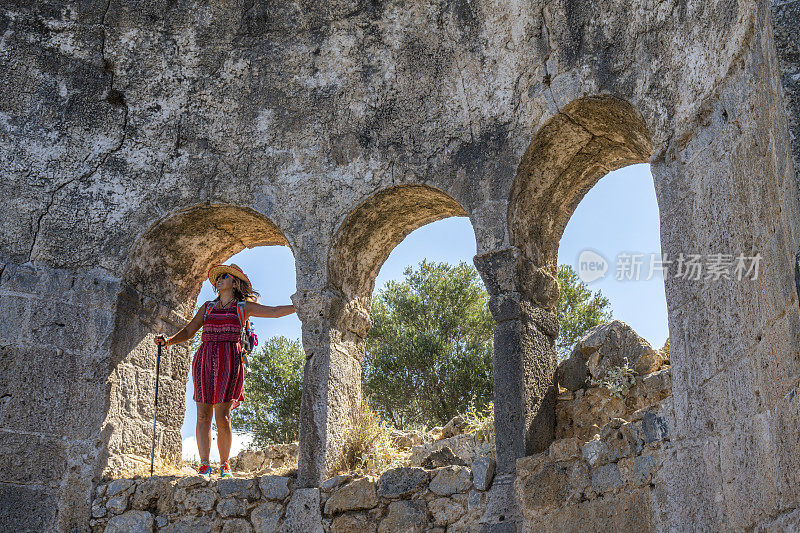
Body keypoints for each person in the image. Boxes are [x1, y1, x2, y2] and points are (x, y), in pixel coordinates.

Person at [155, 263, 295, 478]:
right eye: (218, 277)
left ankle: (224, 464)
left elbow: (275, 312)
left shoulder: (243, 307)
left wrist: (299, 305)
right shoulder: (208, 307)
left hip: (229, 360)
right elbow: (190, 331)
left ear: (235, 282)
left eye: (224, 276)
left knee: (223, 416)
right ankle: (203, 465)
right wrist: (169, 341)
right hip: (204, 359)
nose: (219, 279)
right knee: (202, 415)